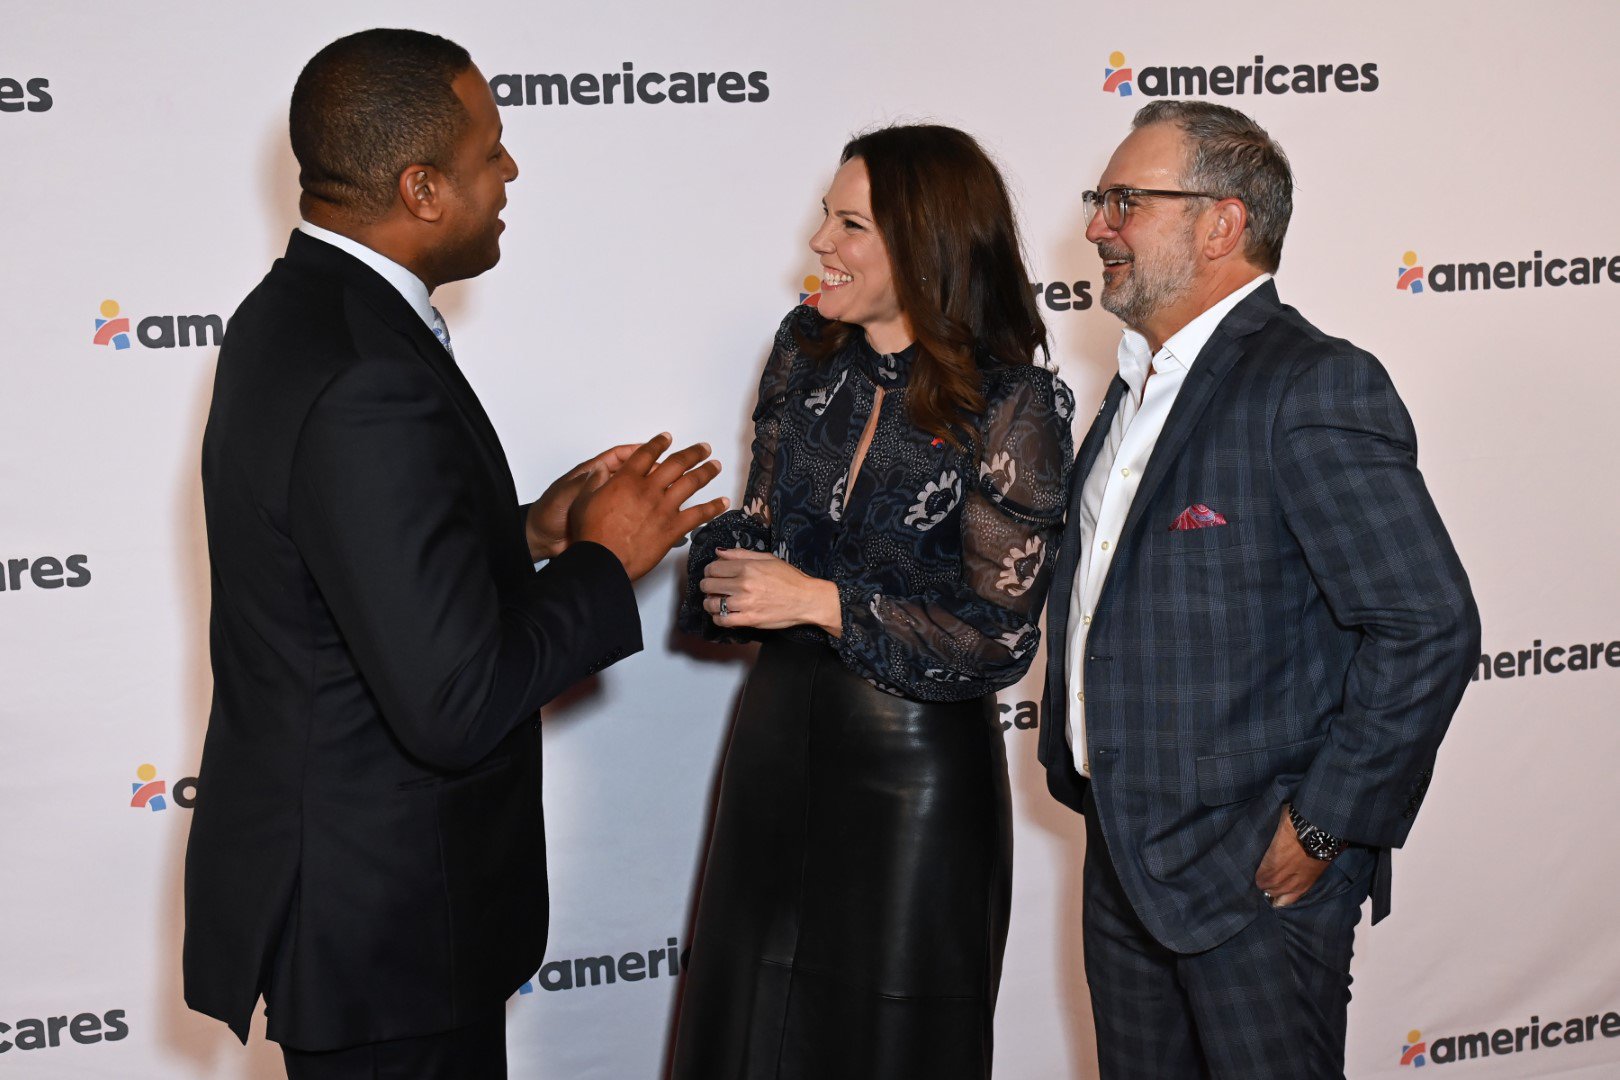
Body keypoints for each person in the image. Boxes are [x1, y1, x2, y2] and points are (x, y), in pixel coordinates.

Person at [182, 29, 725, 1080]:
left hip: (357, 914)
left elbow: (347, 567)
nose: (510, 170)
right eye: (490, 152)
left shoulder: (297, 313)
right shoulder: (364, 374)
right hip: (387, 930)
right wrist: (602, 564)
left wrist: (525, 530)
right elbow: (456, 698)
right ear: (422, 187)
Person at [1039, 100, 1480, 1079]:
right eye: (1099, 200)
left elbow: (1428, 624)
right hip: (1126, 858)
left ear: (1221, 223)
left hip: (1254, 880)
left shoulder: (1312, 384)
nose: (1097, 226)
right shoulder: (1134, 388)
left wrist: (1324, 823)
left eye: (1125, 201)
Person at [672, 124, 1073, 1080]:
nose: (821, 244)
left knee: (886, 1044)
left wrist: (816, 601)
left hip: (914, 774)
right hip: (776, 738)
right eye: (826, 217)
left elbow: (998, 640)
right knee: (747, 1025)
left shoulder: (1013, 403)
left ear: (927, 244)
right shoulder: (804, 350)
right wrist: (697, 549)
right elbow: (764, 521)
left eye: (852, 224)